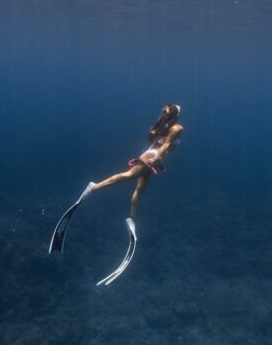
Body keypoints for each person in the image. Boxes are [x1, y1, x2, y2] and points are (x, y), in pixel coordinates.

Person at [48, 103, 183, 285]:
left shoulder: (165, 126)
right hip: (152, 157)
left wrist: (157, 158)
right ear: (176, 115)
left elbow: (160, 144)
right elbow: (165, 146)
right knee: (127, 177)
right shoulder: (177, 128)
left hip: (151, 156)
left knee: (140, 189)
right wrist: (157, 160)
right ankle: (93, 188)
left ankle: (132, 221)